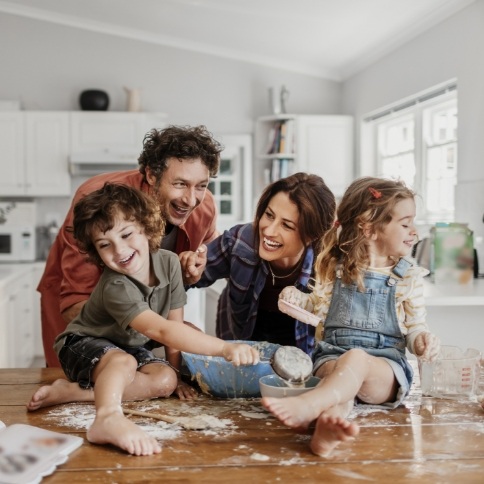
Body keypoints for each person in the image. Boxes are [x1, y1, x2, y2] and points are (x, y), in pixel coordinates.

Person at [28, 183, 259, 456]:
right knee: (122, 362)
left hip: (124, 347)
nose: (119, 250)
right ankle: (107, 418)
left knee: (164, 381)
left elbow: (175, 325)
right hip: (81, 344)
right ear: (96, 252)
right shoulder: (116, 286)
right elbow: (161, 330)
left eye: (127, 235)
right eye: (105, 245)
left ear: (147, 229)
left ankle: (74, 392)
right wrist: (223, 347)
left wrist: (178, 376)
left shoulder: (170, 263)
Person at [262, 176, 441, 457]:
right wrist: (296, 298)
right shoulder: (335, 267)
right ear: (369, 228)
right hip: (332, 359)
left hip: (383, 370)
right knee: (342, 381)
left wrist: (421, 342)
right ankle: (327, 428)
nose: (414, 232)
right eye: (405, 224)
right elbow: (315, 308)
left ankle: (310, 405)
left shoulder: (408, 277)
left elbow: (415, 328)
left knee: (356, 359)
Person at [39, 125, 223, 370]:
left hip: (145, 321)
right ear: (151, 176)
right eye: (180, 183)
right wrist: (161, 330)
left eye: (201, 185)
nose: (191, 199)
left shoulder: (204, 206)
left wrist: (194, 271)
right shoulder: (97, 202)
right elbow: (75, 303)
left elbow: (204, 250)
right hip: (83, 314)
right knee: (79, 386)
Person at [191, 172, 336, 355]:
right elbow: (183, 279)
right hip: (239, 348)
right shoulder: (240, 242)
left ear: (312, 235)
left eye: (287, 225)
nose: (269, 230)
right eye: (269, 215)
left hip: (303, 359)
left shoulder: (328, 267)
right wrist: (188, 266)